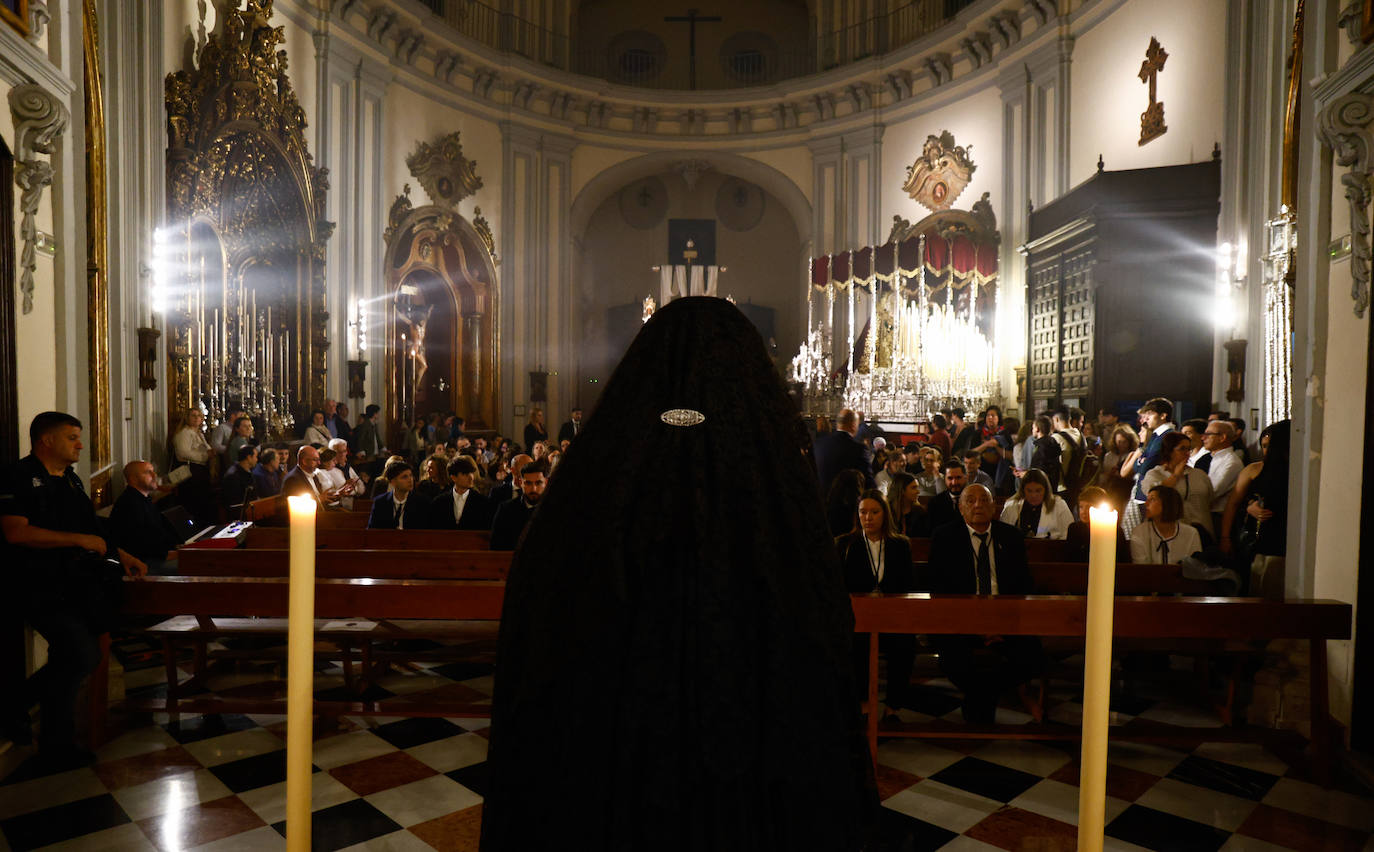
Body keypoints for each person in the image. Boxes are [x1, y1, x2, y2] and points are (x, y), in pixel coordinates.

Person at [481, 298, 875, 850]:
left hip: (615, 751)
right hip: (747, 745)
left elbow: (542, 609)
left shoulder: (595, 477)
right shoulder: (774, 483)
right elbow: (818, 618)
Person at [0, 412, 148, 765]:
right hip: (35, 584)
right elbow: (16, 531)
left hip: (75, 583)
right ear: (46, 440)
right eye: (72, 437)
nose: (80, 444)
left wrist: (120, 552)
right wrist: (78, 539)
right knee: (81, 654)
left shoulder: (69, 478)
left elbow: (90, 524)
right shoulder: (17, 476)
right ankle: (33, 722)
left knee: (73, 657)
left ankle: (47, 733)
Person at [923, 484, 1042, 723]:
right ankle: (987, 697)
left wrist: (1001, 625)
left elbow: (1023, 587)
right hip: (960, 622)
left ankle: (978, 698)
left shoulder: (1011, 537)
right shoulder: (945, 537)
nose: (978, 505)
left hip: (1007, 620)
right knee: (952, 658)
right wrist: (975, 626)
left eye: (984, 500)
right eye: (971, 500)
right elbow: (939, 589)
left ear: (994, 506)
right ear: (960, 507)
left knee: (1032, 655)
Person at [837, 490, 916, 716]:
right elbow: (839, 586)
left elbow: (908, 584)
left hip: (892, 616)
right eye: (863, 512)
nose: (868, 518)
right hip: (857, 617)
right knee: (856, 645)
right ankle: (862, 704)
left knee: (904, 646)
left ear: (885, 514)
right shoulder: (845, 544)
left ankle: (893, 705)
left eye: (874, 512)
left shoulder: (900, 544)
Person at [1220, 420, 1290, 599]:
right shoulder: (1253, 469)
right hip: (1257, 537)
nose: (1267, 451)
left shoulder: (1293, 471)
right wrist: (1226, 537)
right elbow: (1233, 503)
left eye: (1270, 446)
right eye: (1264, 446)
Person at [109, 460, 183, 576]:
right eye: (148, 473)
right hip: (143, 564)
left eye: (153, 471)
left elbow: (161, 533)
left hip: (157, 557)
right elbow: (145, 547)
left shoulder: (144, 499)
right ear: (133, 479)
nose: (154, 476)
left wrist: (180, 547)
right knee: (197, 566)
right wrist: (181, 553)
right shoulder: (129, 504)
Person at [1140, 430, 1214, 543]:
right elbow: (1156, 495)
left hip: (1203, 533)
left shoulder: (1200, 475)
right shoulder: (1155, 475)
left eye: (1189, 449)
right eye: (1182, 449)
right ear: (1169, 451)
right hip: (1172, 535)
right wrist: (1176, 476)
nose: (1187, 453)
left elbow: (1210, 500)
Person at [1130, 485, 1202, 565]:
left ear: (1168, 503)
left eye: (1152, 499)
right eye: (1147, 499)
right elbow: (1141, 568)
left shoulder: (1191, 533)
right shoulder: (1140, 532)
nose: (1146, 504)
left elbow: (1195, 568)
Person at [170, 407, 216, 526]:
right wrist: (205, 456)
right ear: (187, 418)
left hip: (200, 471)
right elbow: (182, 452)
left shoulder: (199, 433)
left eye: (198, 416)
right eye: (193, 416)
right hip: (191, 471)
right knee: (193, 502)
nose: (196, 418)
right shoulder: (184, 433)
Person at [489, 459, 548, 550]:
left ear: (546, 483)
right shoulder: (506, 509)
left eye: (538, 483)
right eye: (528, 483)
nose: (534, 489)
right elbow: (496, 545)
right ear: (521, 483)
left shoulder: (554, 510)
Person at [813, 408, 873, 497]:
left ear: (838, 424)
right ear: (853, 425)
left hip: (820, 501)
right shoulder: (858, 449)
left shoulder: (818, 444)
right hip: (846, 503)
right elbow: (868, 482)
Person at [999, 468, 1073, 539]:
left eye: (1038, 491)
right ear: (1023, 490)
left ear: (1045, 490)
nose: (1033, 495)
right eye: (1029, 491)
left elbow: (1069, 535)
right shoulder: (1011, 506)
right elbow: (1002, 535)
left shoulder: (1059, 505)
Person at [1063, 485, 1130, 562]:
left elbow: (1122, 559)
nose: (1083, 512)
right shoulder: (1074, 529)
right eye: (1081, 507)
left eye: (1088, 507)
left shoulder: (1114, 530)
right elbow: (1070, 558)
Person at [1199, 420, 1243, 530]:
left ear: (1222, 437)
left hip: (1219, 519)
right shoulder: (1213, 458)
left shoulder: (1231, 462)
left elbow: (1212, 492)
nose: (1203, 438)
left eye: (1208, 434)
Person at [430, 456, 493, 530]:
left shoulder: (483, 502)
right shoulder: (439, 502)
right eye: (465, 474)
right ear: (453, 477)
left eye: (471, 473)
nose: (471, 477)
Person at [368, 460, 428, 529]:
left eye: (411, 475)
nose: (410, 480)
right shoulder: (380, 502)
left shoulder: (421, 502)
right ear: (393, 482)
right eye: (404, 477)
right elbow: (372, 530)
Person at [1096, 424, 1139, 509]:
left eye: (1124, 442)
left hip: (1127, 491)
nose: (1121, 445)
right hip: (1111, 490)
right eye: (1119, 442)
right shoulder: (1109, 456)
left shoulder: (1133, 456)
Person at [926, 459, 967, 531]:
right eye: (950, 478)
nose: (954, 483)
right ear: (944, 479)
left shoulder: (975, 501)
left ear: (965, 477)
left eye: (958, 477)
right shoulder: (935, 503)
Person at [885, 471, 929, 538]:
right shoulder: (888, 511)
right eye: (913, 488)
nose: (918, 491)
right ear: (902, 490)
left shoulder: (920, 512)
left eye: (917, 487)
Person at [220, 444, 260, 515]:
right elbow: (235, 504)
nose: (257, 459)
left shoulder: (248, 471)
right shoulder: (233, 476)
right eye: (255, 456)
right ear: (249, 457)